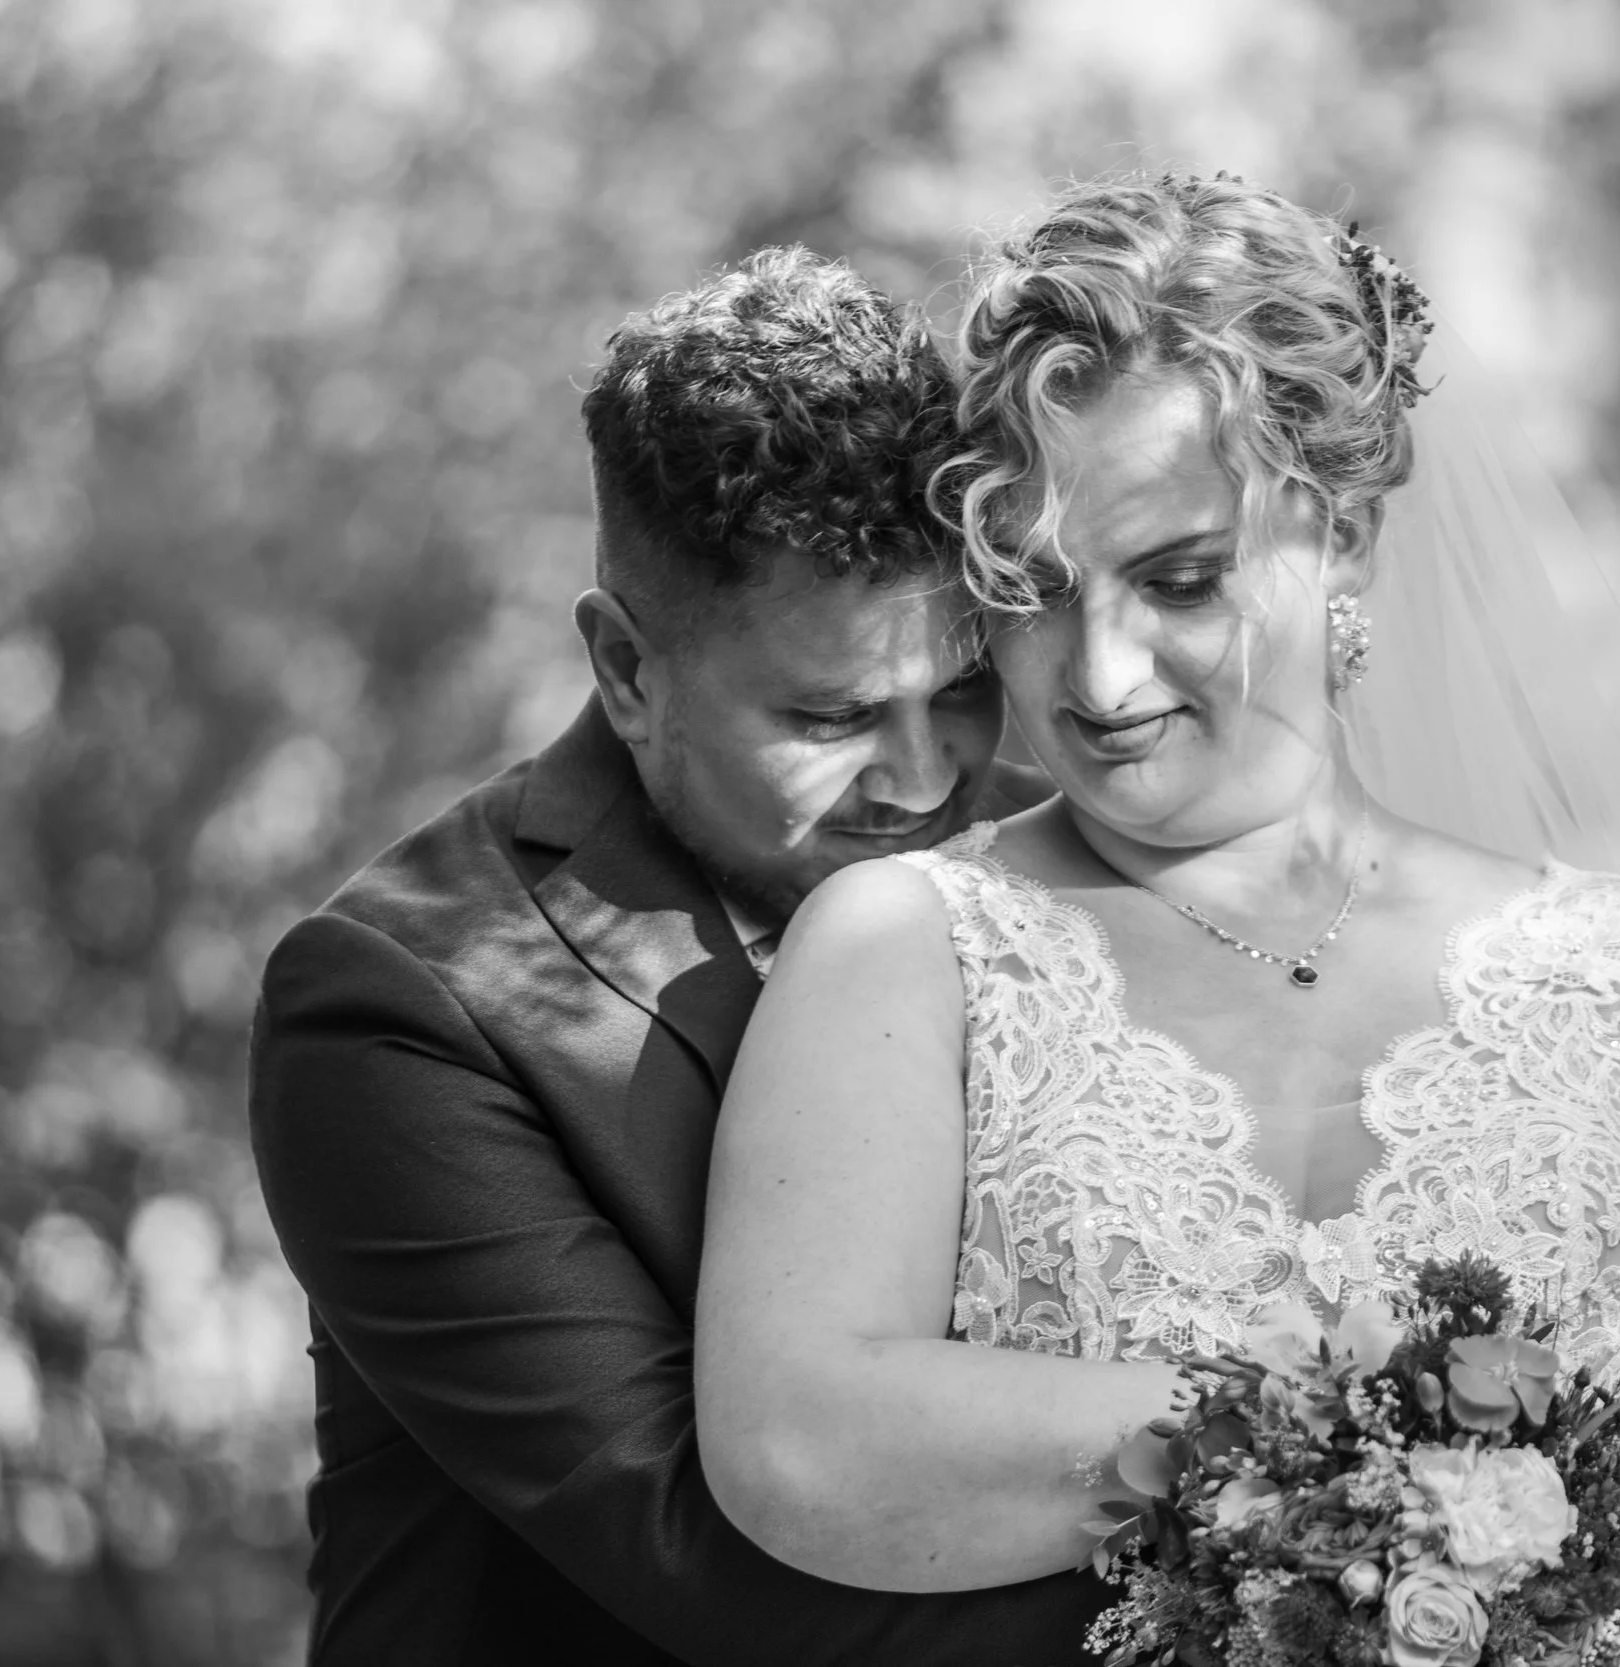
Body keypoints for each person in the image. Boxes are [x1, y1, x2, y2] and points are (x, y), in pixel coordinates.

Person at [694, 174, 1620, 1659]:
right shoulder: (908, 948)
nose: (1100, 679)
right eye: (1034, 590)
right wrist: (1365, 1442)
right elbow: (798, 1439)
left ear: (1342, 530)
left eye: (1178, 579)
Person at [249, 247, 1112, 1664]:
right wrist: (1281, 1592)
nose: (922, 779)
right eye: (832, 719)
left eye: (960, 689)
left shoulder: (1057, 860)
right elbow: (694, 1553)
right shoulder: (400, 1006)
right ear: (629, 672)